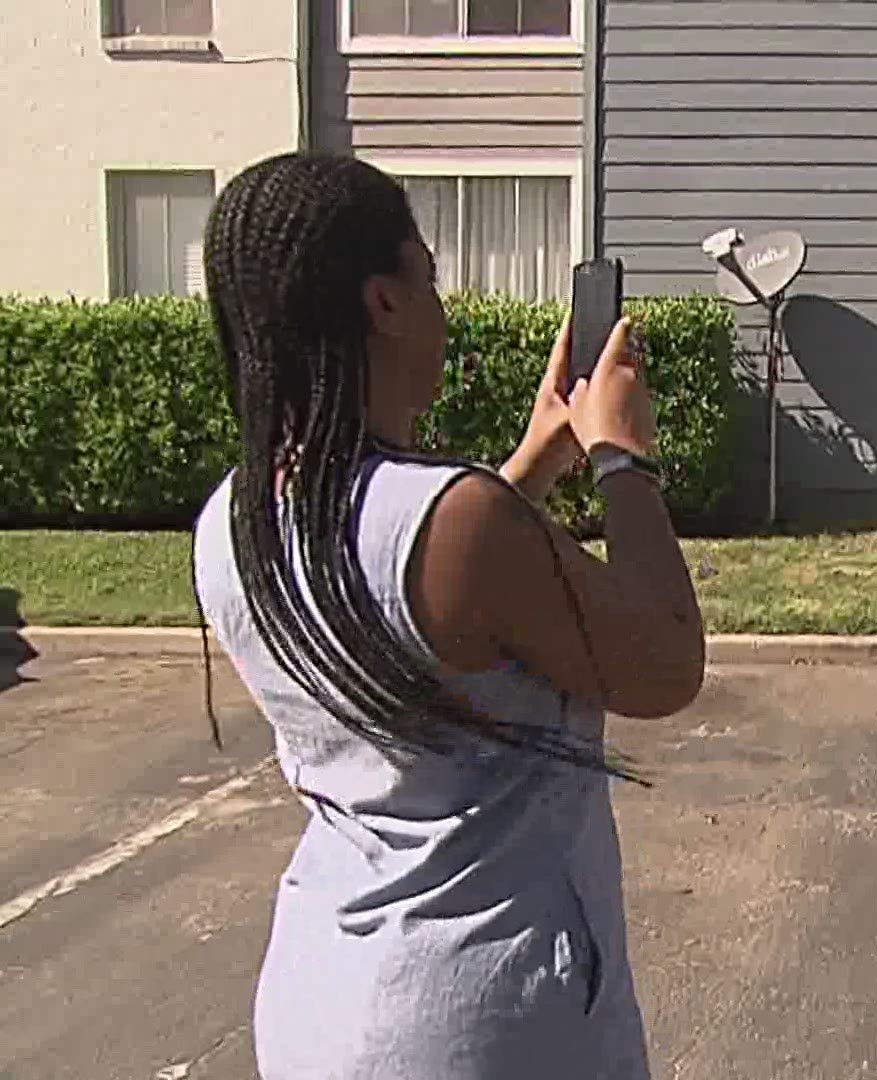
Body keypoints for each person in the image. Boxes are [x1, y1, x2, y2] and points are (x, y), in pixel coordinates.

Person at [190, 151, 705, 1078]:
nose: (440, 308)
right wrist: (623, 460)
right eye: (426, 277)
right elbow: (665, 663)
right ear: (382, 302)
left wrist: (537, 458)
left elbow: (407, 601)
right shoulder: (458, 524)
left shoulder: (235, 520)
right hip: (479, 1023)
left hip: (320, 999)